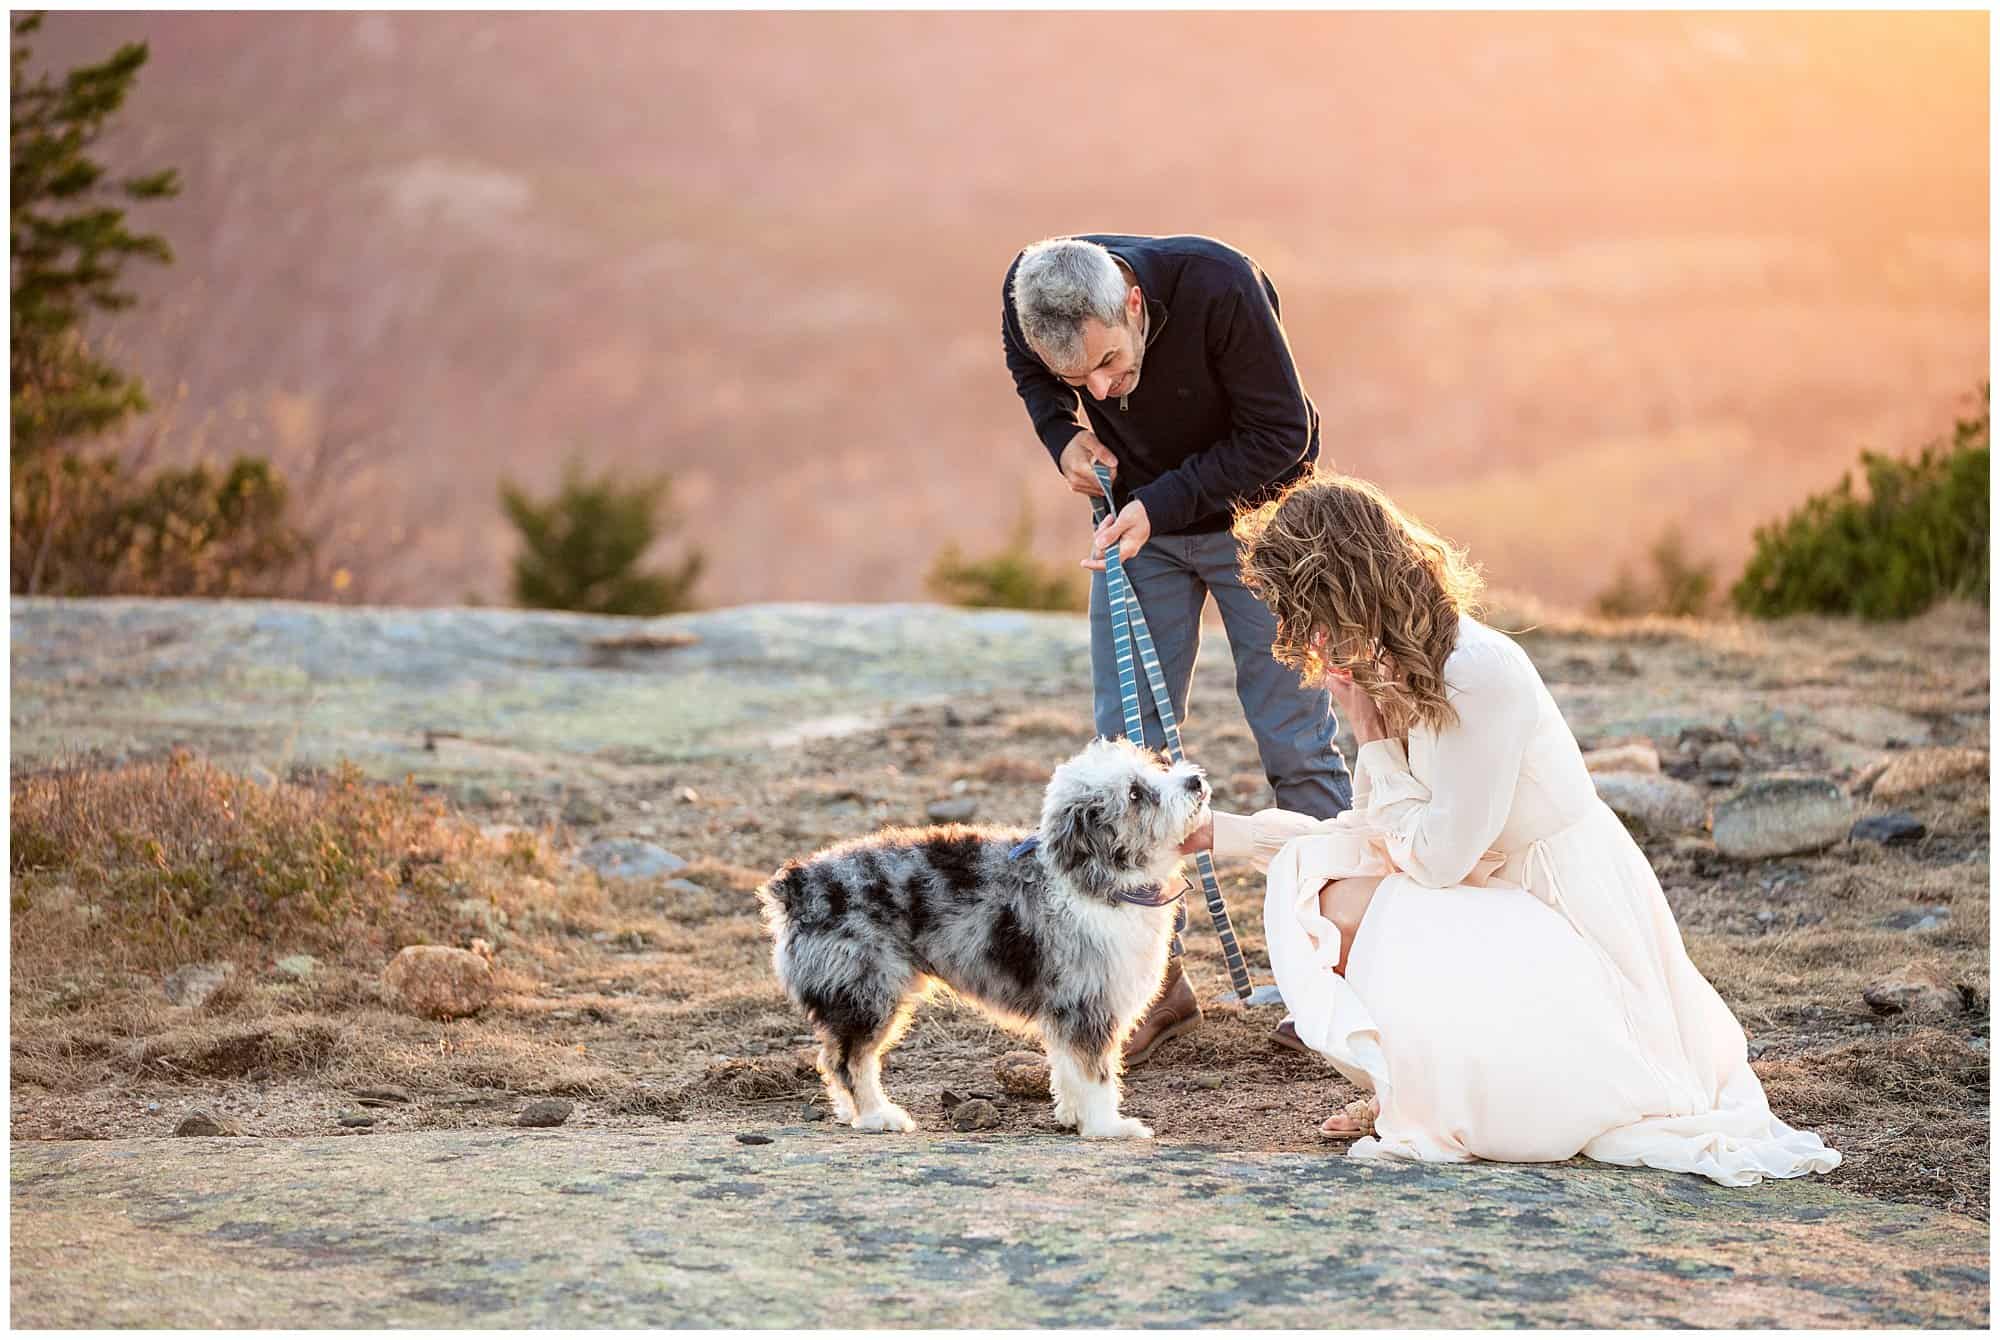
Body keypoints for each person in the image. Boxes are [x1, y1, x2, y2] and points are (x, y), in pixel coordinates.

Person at [1176, 471, 1841, 1184]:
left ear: (1346, 585)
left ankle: (1447, 1087)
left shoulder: (1475, 672)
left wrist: (1369, 740)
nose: (1304, 638)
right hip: (1496, 899)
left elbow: (1433, 860)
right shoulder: (1393, 670)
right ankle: (1410, 1084)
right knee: (1320, 887)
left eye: (1309, 612)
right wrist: (1226, 833)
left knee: (1343, 907)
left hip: (1570, 915)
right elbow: (1370, 835)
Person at [1002, 233, 1353, 1062]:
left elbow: (1283, 440)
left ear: (1132, 304)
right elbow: (1029, 373)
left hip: (1258, 527)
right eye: (1076, 380)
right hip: (1140, 532)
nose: (1102, 392)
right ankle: (1154, 987)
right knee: (1125, 759)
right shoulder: (1035, 291)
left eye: (1111, 365)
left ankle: (1342, 973)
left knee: (1294, 740)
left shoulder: (1220, 286)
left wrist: (1162, 501)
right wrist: (1061, 436)